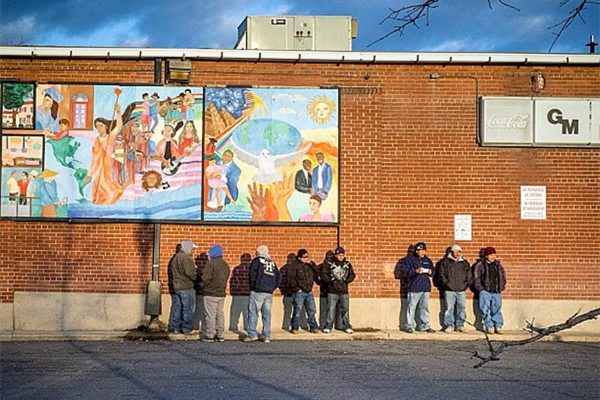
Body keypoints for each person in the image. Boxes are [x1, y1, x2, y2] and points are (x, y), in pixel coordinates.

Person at [86, 103, 124, 205]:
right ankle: (98, 200)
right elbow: (94, 156)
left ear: (106, 127)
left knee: (105, 182)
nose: (99, 128)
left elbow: (119, 126)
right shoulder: (96, 140)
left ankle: (108, 200)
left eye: (101, 126)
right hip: (97, 165)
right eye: (97, 126)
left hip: (107, 164)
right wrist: (90, 173)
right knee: (96, 182)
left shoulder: (110, 137)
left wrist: (118, 112)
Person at [244, 245, 281, 343]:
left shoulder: (256, 261)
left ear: (259, 252)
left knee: (253, 312)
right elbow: (278, 277)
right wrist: (273, 287)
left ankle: (252, 334)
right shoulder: (272, 262)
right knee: (267, 314)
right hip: (269, 292)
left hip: (258, 290)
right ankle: (266, 335)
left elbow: (252, 276)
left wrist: (253, 287)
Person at [400, 242, 436, 333]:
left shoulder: (427, 260)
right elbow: (404, 272)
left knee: (424, 307)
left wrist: (430, 272)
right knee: (411, 307)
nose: (423, 252)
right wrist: (415, 271)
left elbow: (433, 272)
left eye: (424, 250)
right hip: (414, 287)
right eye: (421, 250)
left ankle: (425, 325)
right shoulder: (408, 260)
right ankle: (409, 325)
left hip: (425, 287)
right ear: (416, 251)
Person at [437, 244, 472, 333]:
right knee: (449, 308)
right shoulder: (445, 262)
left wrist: (465, 285)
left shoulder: (465, 263)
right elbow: (441, 275)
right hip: (449, 290)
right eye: (456, 251)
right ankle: (450, 325)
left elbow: (469, 276)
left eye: (459, 251)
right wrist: (446, 284)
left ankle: (460, 325)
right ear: (451, 252)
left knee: (461, 308)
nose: (458, 253)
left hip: (461, 290)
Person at [200, 244, 231, 342]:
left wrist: (201, 285)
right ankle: (220, 334)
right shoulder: (225, 265)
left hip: (210, 292)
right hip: (221, 293)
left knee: (210, 315)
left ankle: (210, 335)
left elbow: (206, 278)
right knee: (219, 314)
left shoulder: (210, 264)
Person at [321, 247, 356, 334]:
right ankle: (328, 325)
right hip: (332, 291)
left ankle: (347, 326)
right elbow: (324, 274)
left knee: (345, 309)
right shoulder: (329, 264)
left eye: (342, 255)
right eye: (338, 255)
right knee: (331, 309)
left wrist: (346, 280)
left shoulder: (347, 264)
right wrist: (331, 281)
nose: (340, 257)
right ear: (335, 255)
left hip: (344, 291)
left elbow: (352, 275)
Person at [473, 246, 507, 334]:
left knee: (497, 308)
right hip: (485, 291)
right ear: (486, 256)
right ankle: (489, 326)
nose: (493, 257)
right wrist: (480, 289)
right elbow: (476, 277)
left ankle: (498, 326)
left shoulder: (498, 265)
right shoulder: (480, 265)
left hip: (496, 291)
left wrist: (501, 287)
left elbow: (503, 277)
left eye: (494, 255)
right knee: (484, 309)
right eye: (491, 255)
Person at [168, 240, 198, 335]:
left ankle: (175, 327)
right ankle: (187, 329)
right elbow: (190, 273)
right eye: (192, 249)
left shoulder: (175, 257)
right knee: (187, 309)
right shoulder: (186, 258)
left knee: (177, 308)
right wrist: (197, 276)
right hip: (186, 287)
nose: (192, 251)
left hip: (177, 287)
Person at [288, 248, 320, 334]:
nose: (306, 258)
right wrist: (297, 289)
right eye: (304, 257)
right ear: (299, 257)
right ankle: (294, 327)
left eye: (307, 256)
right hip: (300, 292)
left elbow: (317, 273)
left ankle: (313, 327)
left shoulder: (309, 265)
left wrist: (313, 266)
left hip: (309, 291)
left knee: (312, 310)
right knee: (297, 310)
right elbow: (290, 279)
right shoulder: (294, 266)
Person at [317, 250, 334, 329]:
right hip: (324, 291)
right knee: (324, 309)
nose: (329, 258)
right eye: (328, 257)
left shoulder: (335, 266)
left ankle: (332, 325)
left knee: (331, 310)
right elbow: (316, 276)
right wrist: (320, 282)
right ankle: (323, 325)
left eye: (331, 257)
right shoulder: (321, 266)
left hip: (334, 291)